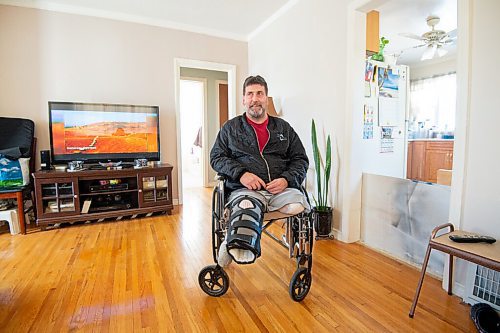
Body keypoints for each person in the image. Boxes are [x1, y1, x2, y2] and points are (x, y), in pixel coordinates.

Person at [210, 75, 309, 266]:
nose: (255, 98)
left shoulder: (284, 128)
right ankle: (237, 244)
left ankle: (238, 231)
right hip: (246, 191)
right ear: (244, 99)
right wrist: (241, 174)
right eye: (250, 94)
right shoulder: (230, 128)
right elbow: (216, 157)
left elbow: (300, 159)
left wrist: (287, 180)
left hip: (281, 192)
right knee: (248, 205)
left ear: (266, 97)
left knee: (299, 206)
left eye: (259, 93)